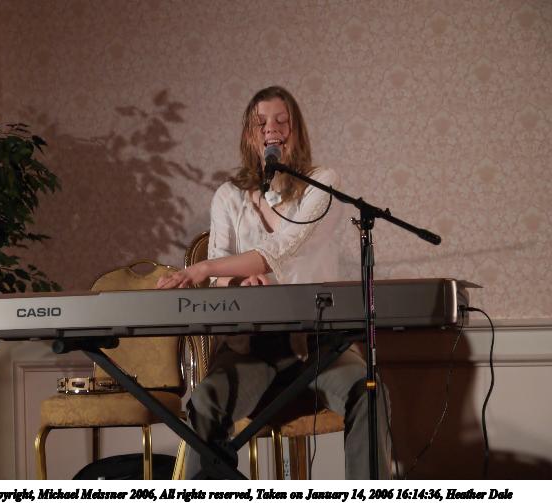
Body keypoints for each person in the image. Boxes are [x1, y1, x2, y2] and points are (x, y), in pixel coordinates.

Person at [157, 86, 389, 479]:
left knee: (368, 391)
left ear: (298, 131)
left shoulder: (323, 184)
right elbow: (219, 281)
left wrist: (202, 268)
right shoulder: (228, 197)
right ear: (249, 136)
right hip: (251, 348)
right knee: (205, 403)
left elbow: (282, 249)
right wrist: (236, 285)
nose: (272, 129)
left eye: (282, 121)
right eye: (261, 123)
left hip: (318, 346)